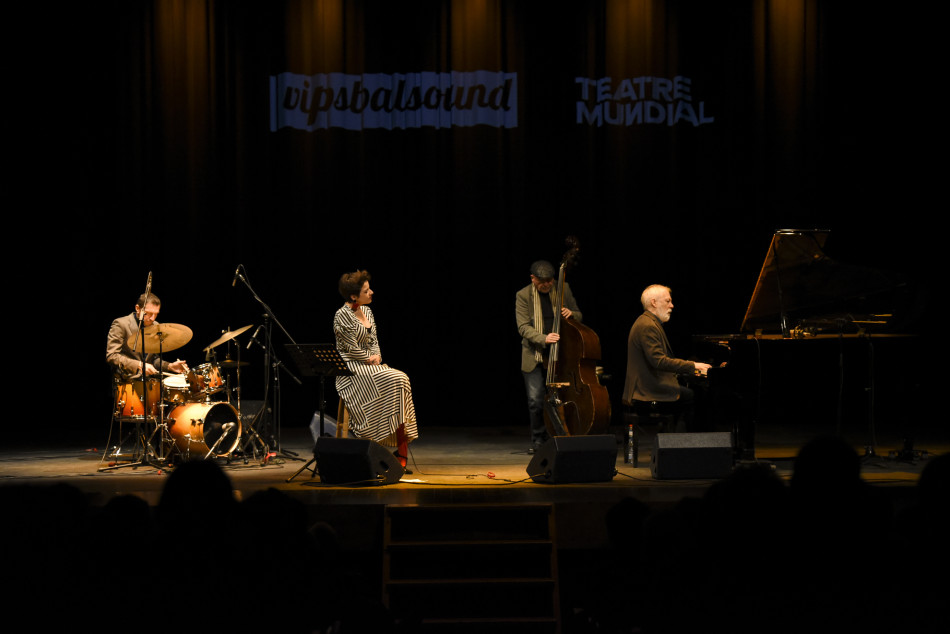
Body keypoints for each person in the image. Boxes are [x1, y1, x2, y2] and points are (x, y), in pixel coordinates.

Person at [333, 270, 418, 468]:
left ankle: (402, 451)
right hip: (352, 370)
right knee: (399, 379)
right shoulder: (341, 315)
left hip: (371, 365)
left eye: (369, 288)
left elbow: (374, 341)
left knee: (401, 380)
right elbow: (351, 349)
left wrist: (377, 356)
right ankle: (376, 442)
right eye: (366, 290)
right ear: (354, 295)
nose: (371, 292)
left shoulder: (368, 311)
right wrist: (369, 359)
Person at [622, 284, 711, 432]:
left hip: (648, 384)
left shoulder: (649, 322)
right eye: (668, 301)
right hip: (646, 390)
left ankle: (679, 443)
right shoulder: (647, 325)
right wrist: (693, 366)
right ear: (654, 302)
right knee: (690, 396)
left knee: (690, 393)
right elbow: (659, 361)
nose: (672, 305)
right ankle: (682, 445)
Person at [515, 260, 583, 453]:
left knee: (564, 398)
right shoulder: (523, 295)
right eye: (541, 281)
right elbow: (522, 327)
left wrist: (573, 314)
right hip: (535, 354)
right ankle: (538, 439)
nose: (546, 285)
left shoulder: (564, 289)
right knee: (535, 400)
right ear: (532, 278)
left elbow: (579, 314)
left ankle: (565, 436)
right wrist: (544, 338)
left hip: (561, 355)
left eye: (549, 281)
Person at [106, 292, 189, 379]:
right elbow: (112, 356)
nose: (153, 318)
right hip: (127, 381)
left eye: (156, 314)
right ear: (137, 308)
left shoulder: (156, 325)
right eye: (149, 313)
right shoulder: (121, 324)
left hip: (149, 381)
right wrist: (139, 365)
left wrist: (169, 366)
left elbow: (153, 360)